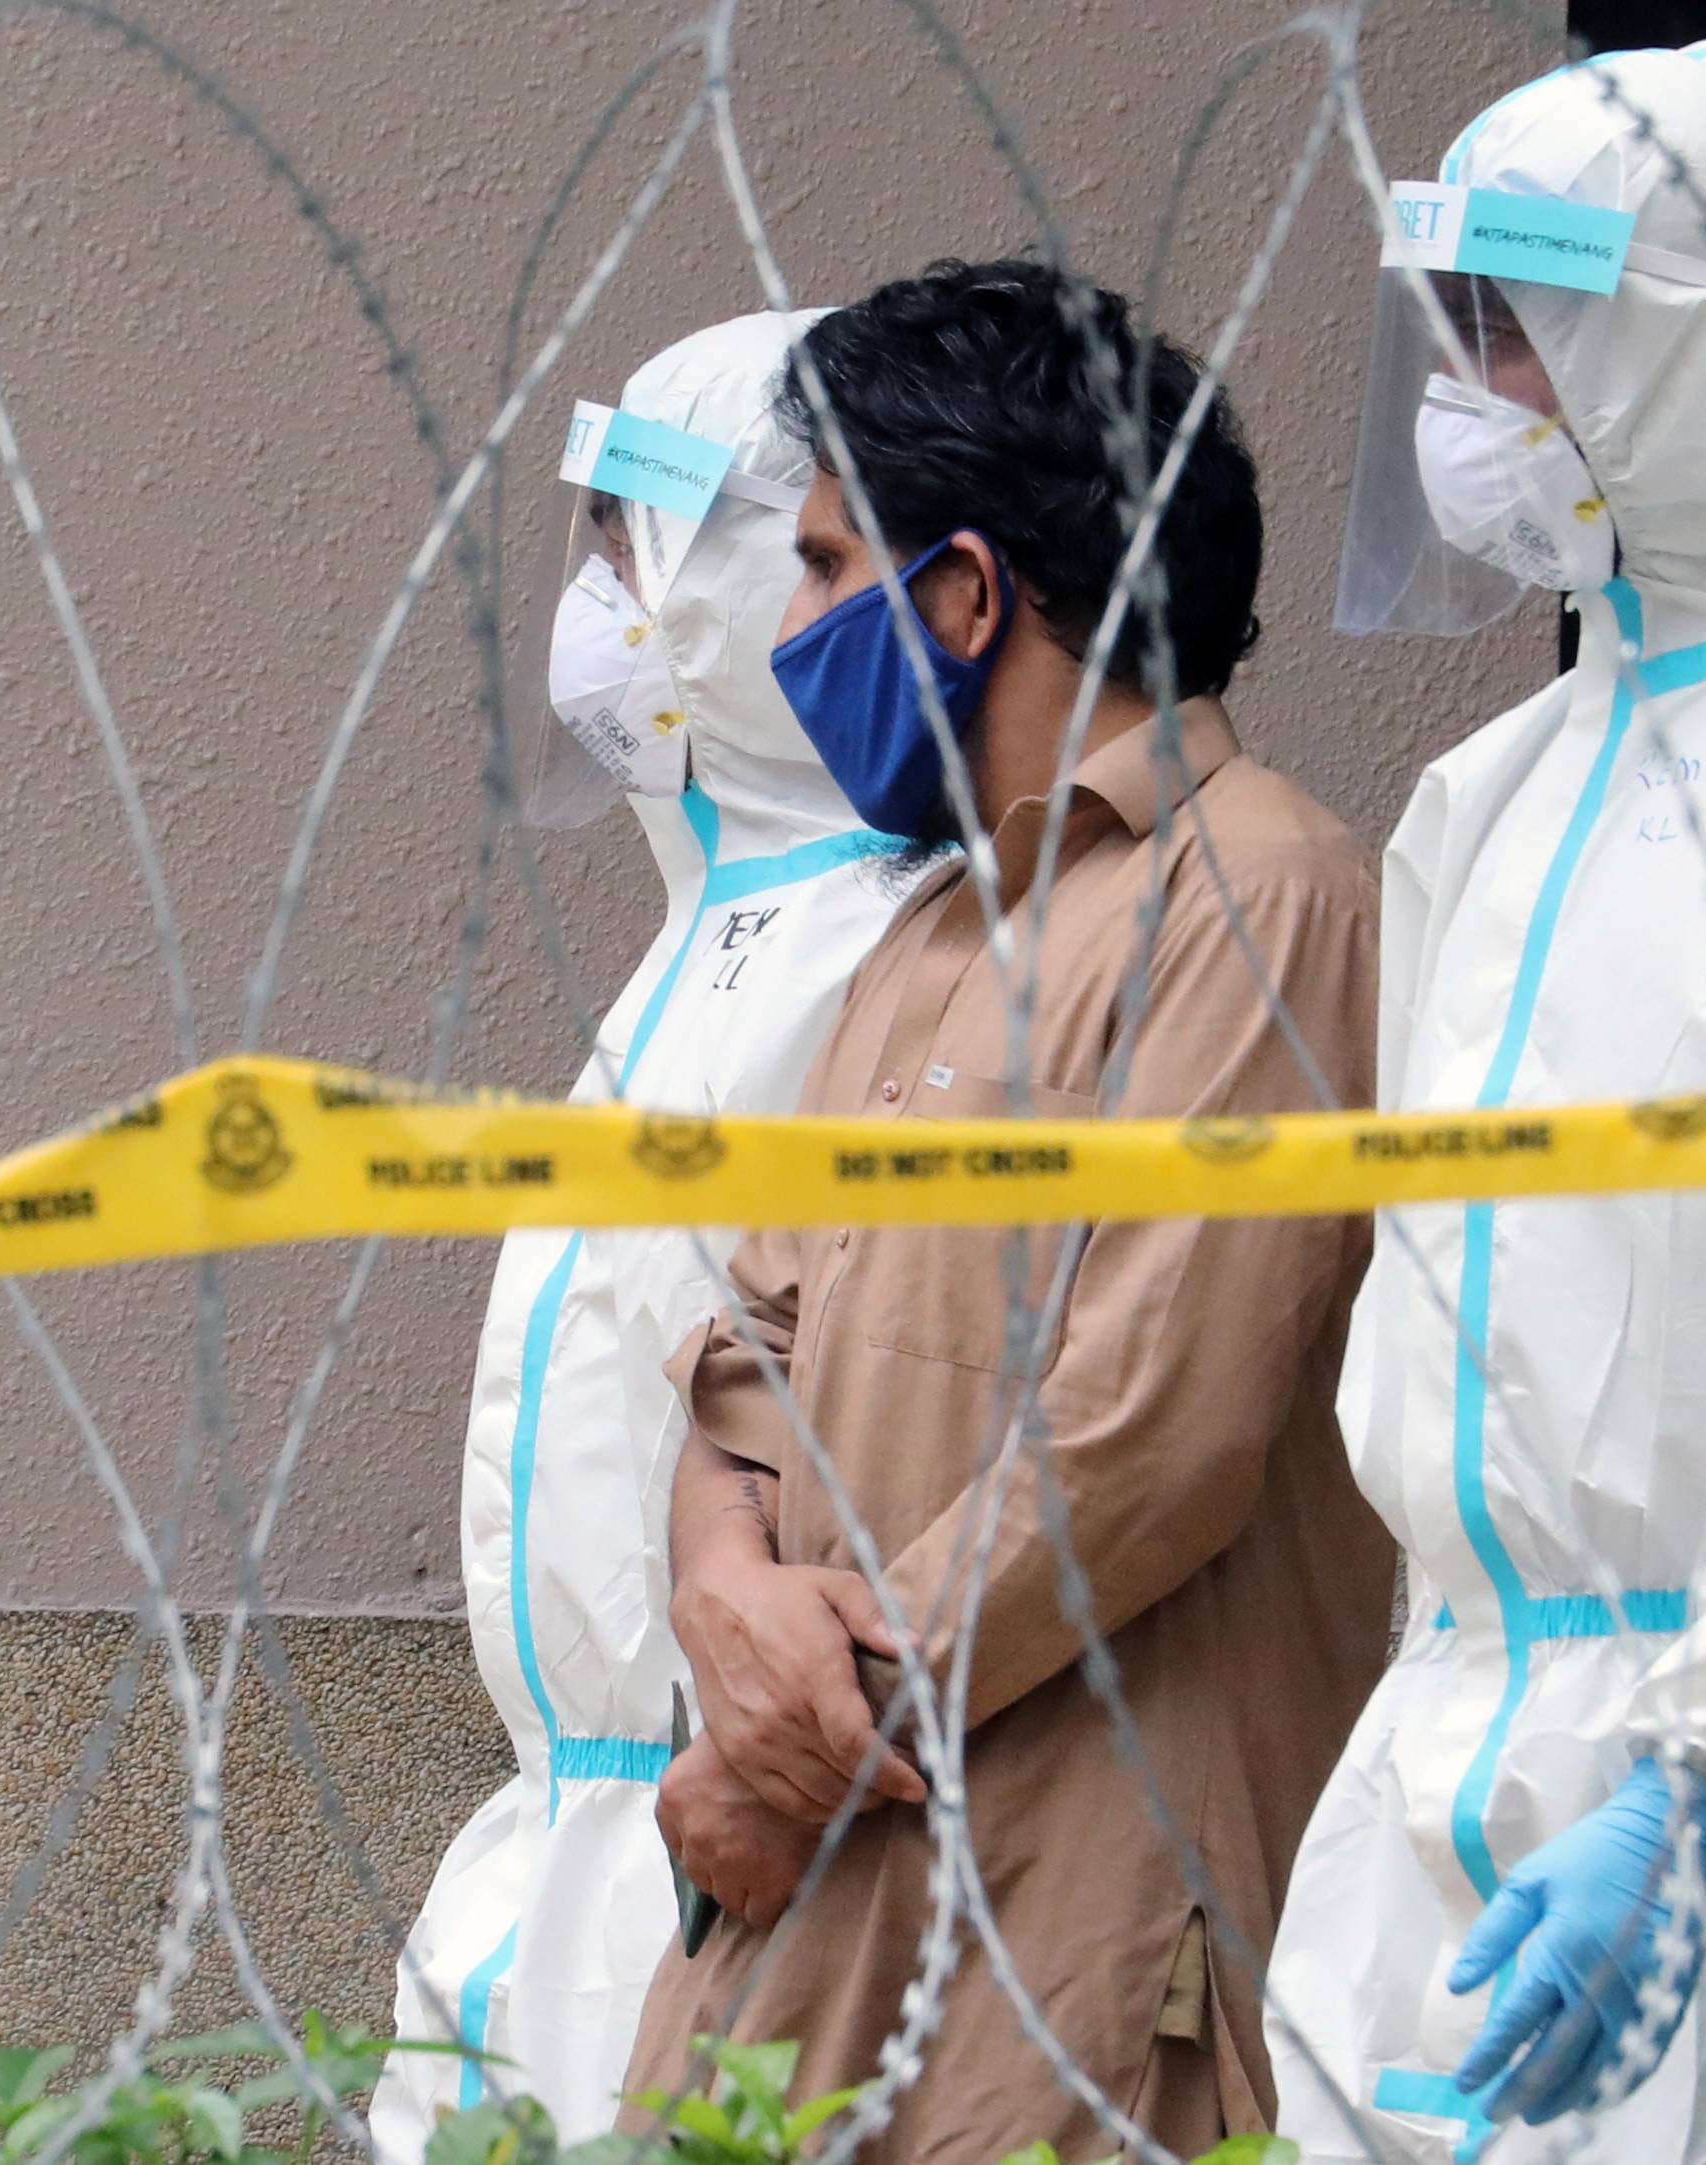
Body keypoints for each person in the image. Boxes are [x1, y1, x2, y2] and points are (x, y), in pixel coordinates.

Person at [618, 258, 1397, 2163]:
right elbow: (750, 1360)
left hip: (1076, 1909)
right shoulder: (929, 923)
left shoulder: (1263, 894)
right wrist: (726, 1600)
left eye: (820, 569)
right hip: (804, 1894)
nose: (791, 626)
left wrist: (782, 1757)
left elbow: (1149, 1435)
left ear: (967, 592)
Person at [368, 312, 907, 2153]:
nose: (603, 601)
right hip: (569, 1833)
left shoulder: (892, 950)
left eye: (640, 543)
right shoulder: (708, 934)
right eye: (591, 547)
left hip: (741, 1831)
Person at [1266, 46, 1706, 2165]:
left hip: (1670, 1787)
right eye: (1454, 333)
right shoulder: (1495, 793)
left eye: (1523, 331)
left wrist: (1688, 1793)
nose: (1475, 395)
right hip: (1435, 1744)